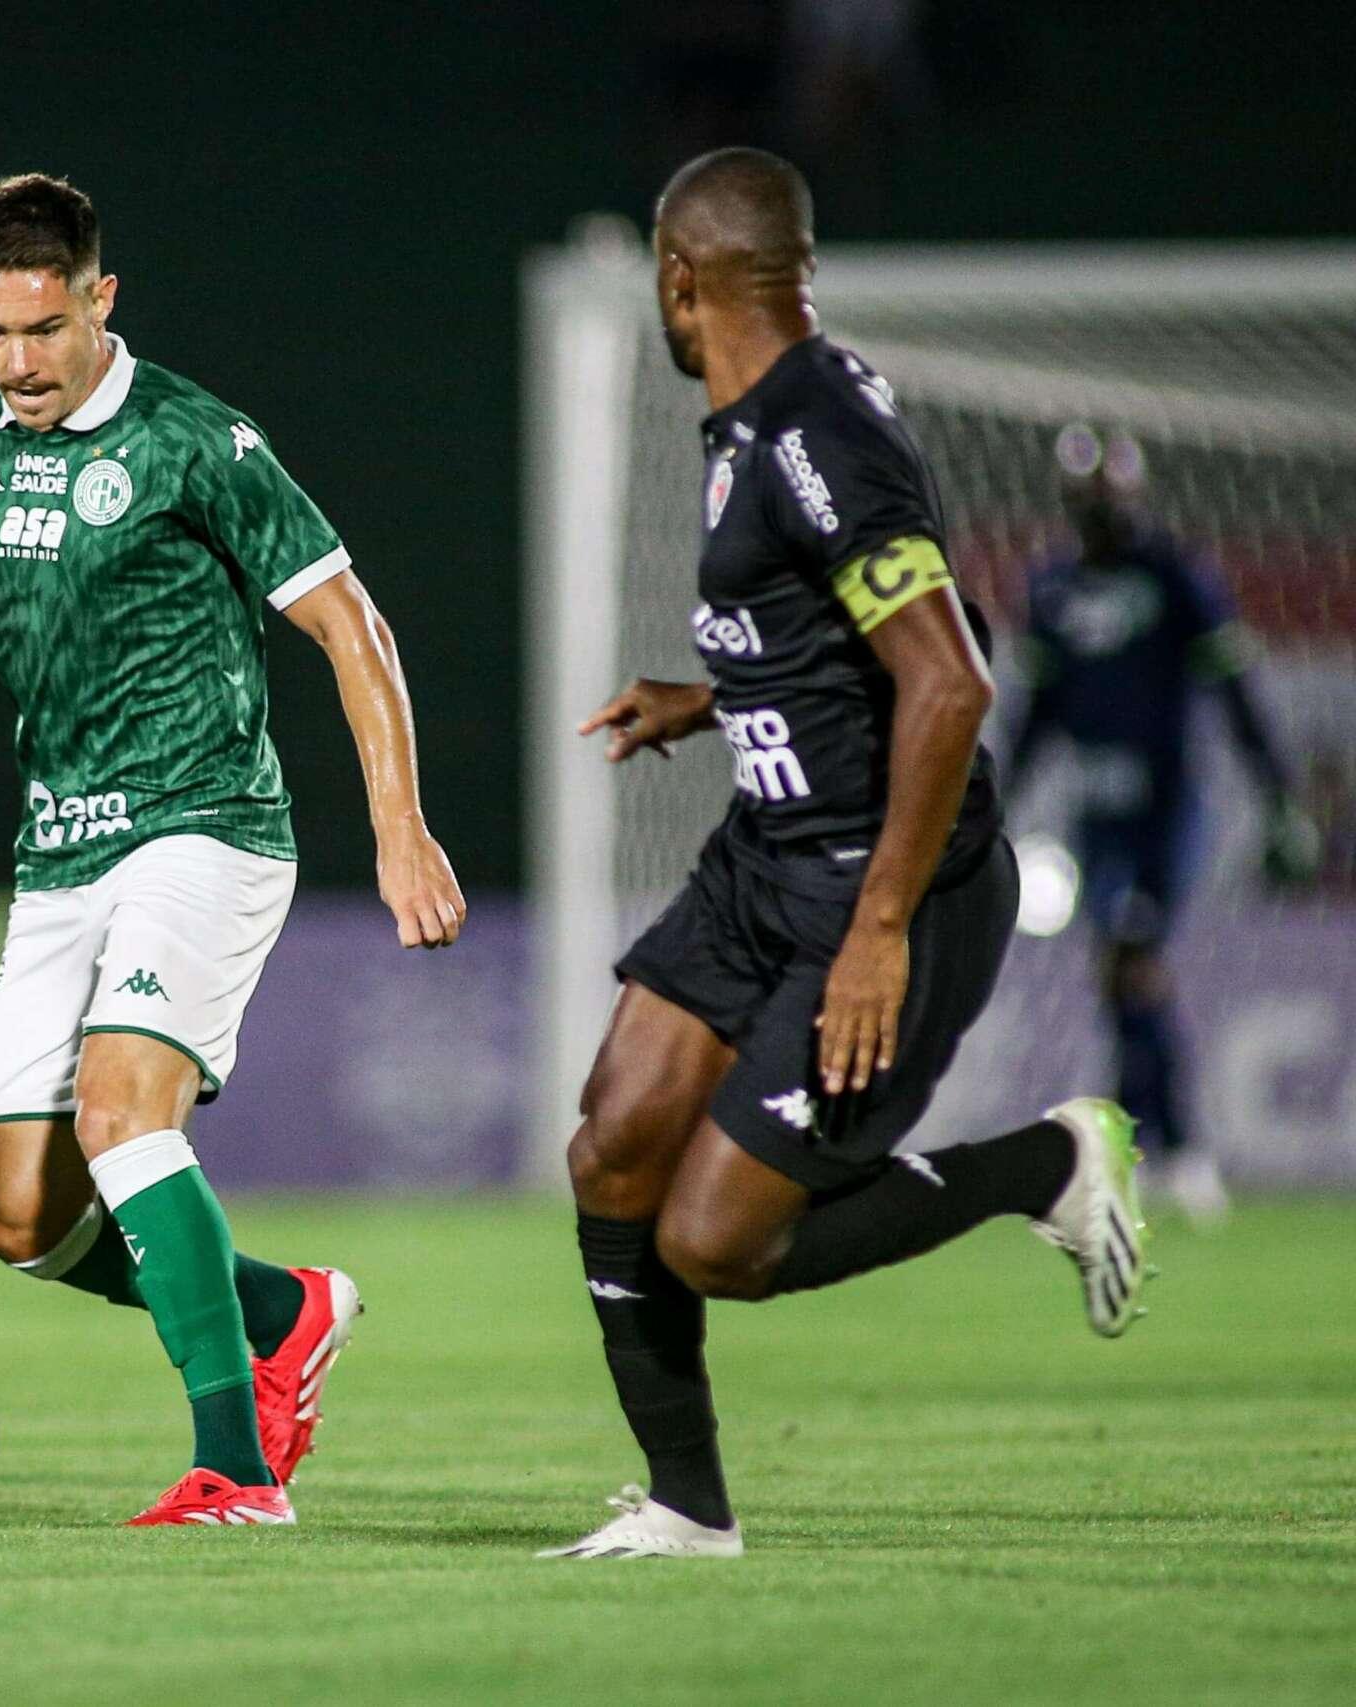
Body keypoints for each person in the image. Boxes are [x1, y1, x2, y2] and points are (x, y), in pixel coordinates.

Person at [0, 174, 464, 1527]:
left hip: (206, 826)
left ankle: (234, 1466)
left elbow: (355, 627)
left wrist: (401, 830)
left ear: (100, 300)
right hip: (61, 855)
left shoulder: (194, 440)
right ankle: (282, 1311)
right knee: (22, 1216)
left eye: (44, 327)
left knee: (122, 1110)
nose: (19, 359)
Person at [545, 149, 1148, 1560]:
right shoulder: (767, 418)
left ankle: (1041, 1166)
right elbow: (861, 646)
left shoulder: (818, 436)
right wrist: (712, 701)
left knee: (715, 1242)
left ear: (679, 278)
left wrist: (877, 927)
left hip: (893, 889)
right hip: (769, 855)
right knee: (613, 1138)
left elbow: (950, 683)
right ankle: (687, 1508)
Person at [1004, 425, 1312, 1223]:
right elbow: (1035, 713)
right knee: (1117, 975)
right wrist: (992, 800)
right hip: (1094, 813)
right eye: (1088, 499)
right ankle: (1161, 1144)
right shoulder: (1052, 588)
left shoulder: (1177, 576)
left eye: (1110, 497)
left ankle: (1159, 1149)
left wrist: (1280, 795)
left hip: (1168, 808)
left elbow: (1235, 693)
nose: (1101, 513)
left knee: (1133, 962)